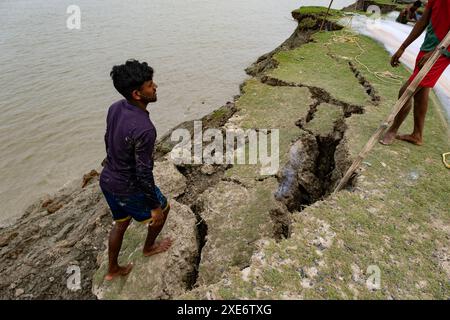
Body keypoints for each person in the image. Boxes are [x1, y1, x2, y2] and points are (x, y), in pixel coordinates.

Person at [99, 59, 173, 281]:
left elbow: (107, 138)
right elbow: (143, 173)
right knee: (164, 208)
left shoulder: (115, 108)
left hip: (107, 179)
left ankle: (112, 269)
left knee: (120, 223)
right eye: (150, 84)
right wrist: (155, 207)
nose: (156, 86)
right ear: (137, 94)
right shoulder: (145, 128)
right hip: (127, 185)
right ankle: (149, 248)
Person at [380, 0, 450, 146]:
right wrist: (403, 47)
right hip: (429, 45)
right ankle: (417, 135)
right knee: (422, 91)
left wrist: (435, 52)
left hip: (443, 52)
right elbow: (423, 21)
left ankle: (393, 129)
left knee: (407, 89)